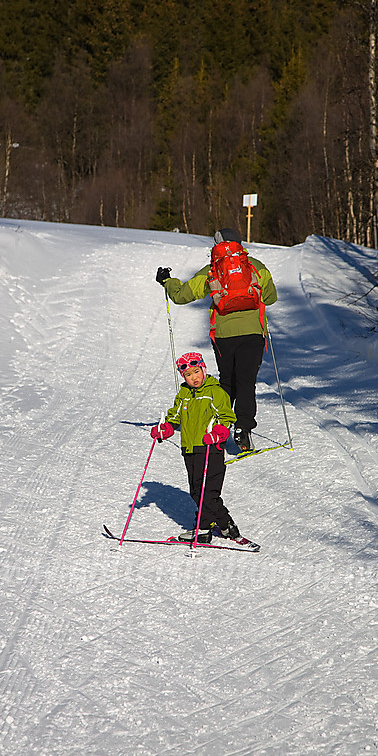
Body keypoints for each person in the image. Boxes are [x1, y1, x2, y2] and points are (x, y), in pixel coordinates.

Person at [156, 227, 277, 452]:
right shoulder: (256, 267)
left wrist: (167, 281)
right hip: (253, 333)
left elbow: (182, 295)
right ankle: (243, 428)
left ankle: (218, 426)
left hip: (223, 335)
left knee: (227, 380)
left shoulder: (212, 270)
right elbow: (271, 297)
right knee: (246, 381)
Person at [150, 351, 241, 544]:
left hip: (210, 448)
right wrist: (166, 428)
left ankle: (221, 525)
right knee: (197, 491)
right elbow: (175, 416)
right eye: (188, 375)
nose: (193, 377)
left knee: (209, 493)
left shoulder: (215, 392)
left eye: (196, 371)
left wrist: (219, 433)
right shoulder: (183, 393)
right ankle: (210, 528)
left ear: (203, 369)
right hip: (190, 449)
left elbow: (226, 417)